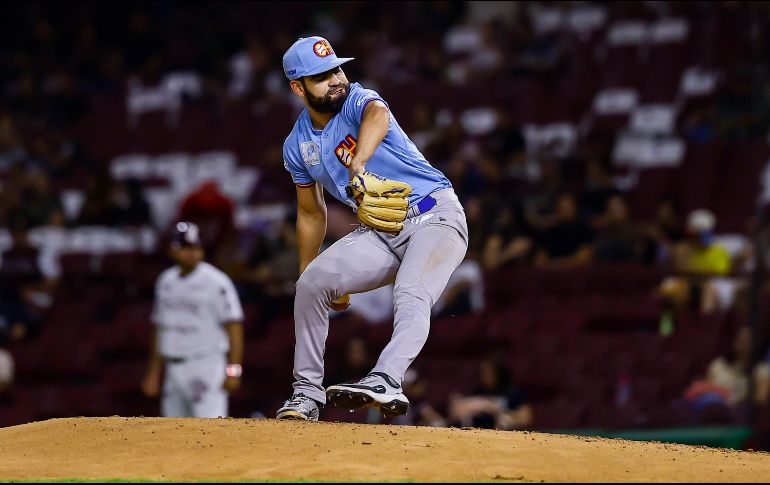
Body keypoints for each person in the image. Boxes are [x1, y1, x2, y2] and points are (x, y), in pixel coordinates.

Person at [275, 36, 468, 421]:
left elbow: (377, 115)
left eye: (336, 68)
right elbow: (311, 214)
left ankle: (387, 378)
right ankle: (306, 395)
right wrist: (309, 270)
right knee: (311, 284)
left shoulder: (358, 100)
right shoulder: (297, 145)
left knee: (412, 293)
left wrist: (358, 163)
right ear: (298, 88)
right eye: (320, 76)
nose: (335, 79)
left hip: (435, 216)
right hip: (380, 232)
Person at [141, 221, 245, 418]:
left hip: (206, 364)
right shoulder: (165, 281)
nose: (192, 253)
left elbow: (234, 326)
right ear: (172, 249)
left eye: (195, 247)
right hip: (173, 367)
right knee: (174, 432)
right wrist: (154, 372)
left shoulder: (216, 281)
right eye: (185, 247)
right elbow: (159, 328)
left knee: (210, 429)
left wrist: (233, 370)